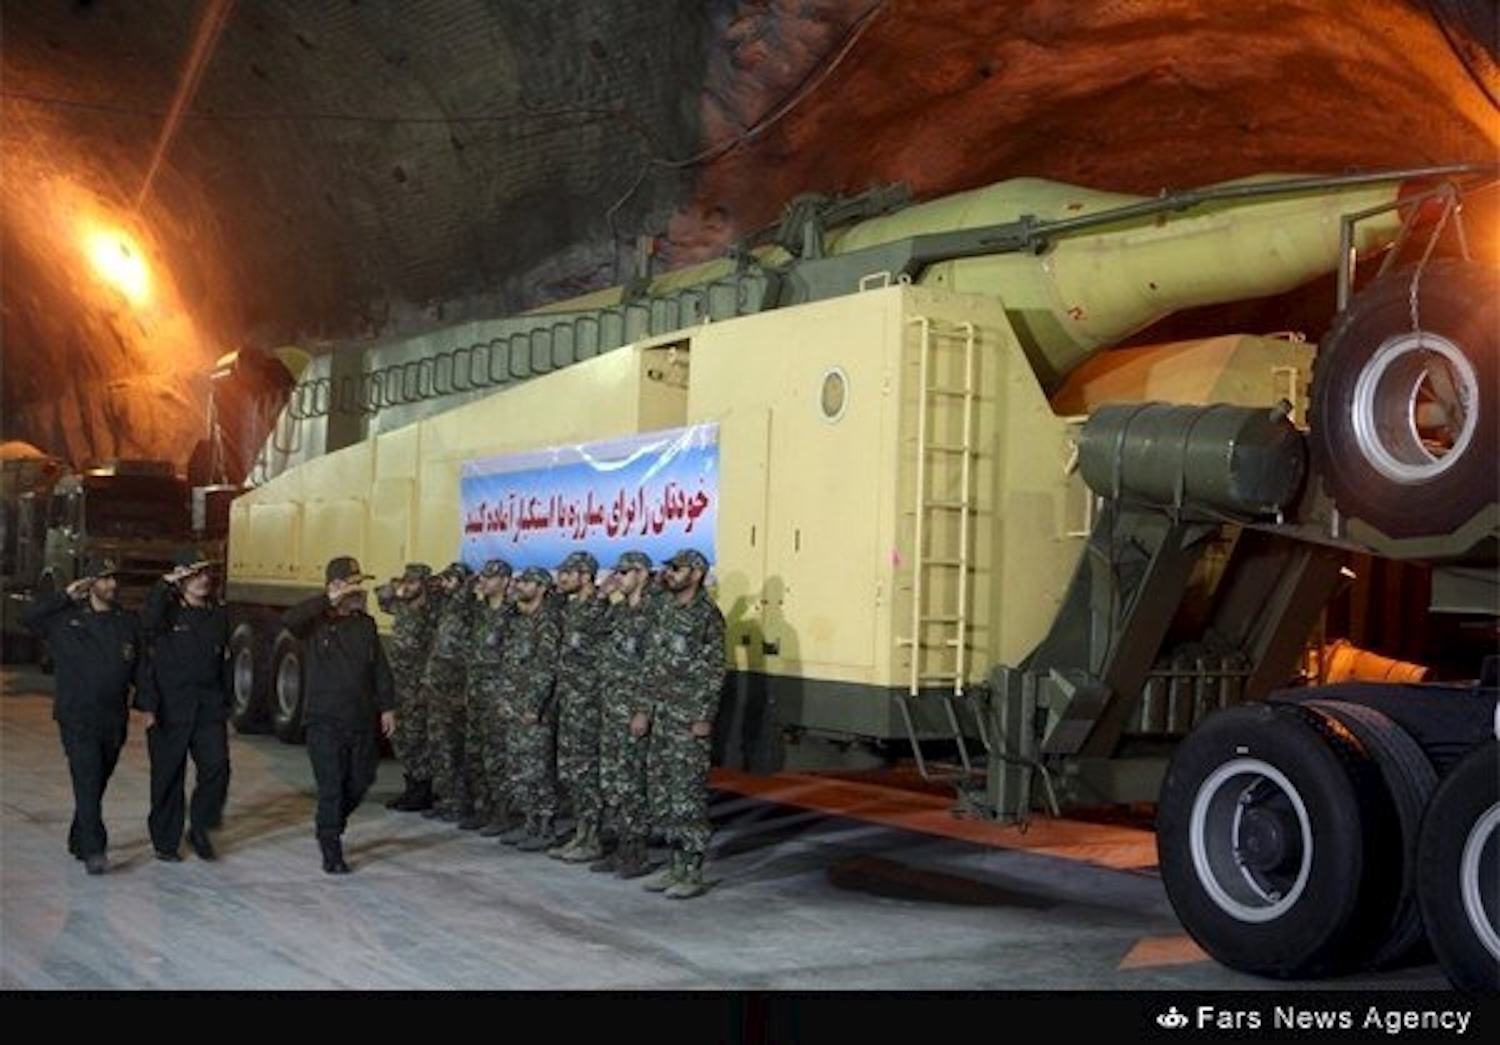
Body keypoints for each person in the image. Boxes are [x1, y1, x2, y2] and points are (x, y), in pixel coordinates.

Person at [22, 556, 141, 875]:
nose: (112, 585)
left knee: (97, 781)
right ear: (89, 584)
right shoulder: (65, 620)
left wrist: (150, 703)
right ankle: (94, 849)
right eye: (104, 579)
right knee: (87, 778)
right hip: (77, 716)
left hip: (113, 718)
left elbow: (140, 667)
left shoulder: (126, 622)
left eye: (114, 578)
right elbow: (27, 617)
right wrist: (64, 596)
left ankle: (79, 837)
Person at [280, 555, 396, 874]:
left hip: (359, 718)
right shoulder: (315, 623)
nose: (360, 590)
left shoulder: (365, 624)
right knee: (331, 785)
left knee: (361, 779)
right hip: (324, 720)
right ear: (335, 586)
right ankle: (331, 846)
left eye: (361, 584)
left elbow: (379, 669)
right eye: (353, 584)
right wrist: (326, 600)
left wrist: (387, 706)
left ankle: (330, 821)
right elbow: (289, 620)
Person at [638, 548, 726, 899]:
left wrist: (703, 715)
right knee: (663, 792)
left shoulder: (707, 616)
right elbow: (651, 666)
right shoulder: (664, 611)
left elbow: (713, 671)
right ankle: (674, 864)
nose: (670, 573)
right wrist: (643, 709)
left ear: (697, 573)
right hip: (661, 715)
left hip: (687, 719)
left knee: (687, 795)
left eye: (677, 568)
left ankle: (693, 870)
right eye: (669, 567)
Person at [135, 551, 232, 862]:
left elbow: (224, 663)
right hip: (169, 707)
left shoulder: (218, 616)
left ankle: (200, 827)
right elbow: (146, 623)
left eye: (206, 574)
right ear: (181, 579)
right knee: (168, 776)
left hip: (208, 708)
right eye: (195, 574)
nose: (203, 579)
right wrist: (165, 584)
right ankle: (165, 842)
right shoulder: (165, 613)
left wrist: (226, 703)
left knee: (217, 768)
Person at [590, 550, 658, 879]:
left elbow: (655, 668)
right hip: (610, 708)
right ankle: (617, 847)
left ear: (643, 574)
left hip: (633, 711)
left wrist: (643, 710)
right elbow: (590, 635)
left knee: (632, 783)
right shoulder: (617, 611)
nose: (619, 577)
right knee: (612, 781)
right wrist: (601, 597)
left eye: (625, 572)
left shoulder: (655, 613)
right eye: (617, 571)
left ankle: (637, 852)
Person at [548, 550, 611, 864]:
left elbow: (605, 662)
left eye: (568, 573)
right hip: (570, 702)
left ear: (585, 576)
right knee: (571, 770)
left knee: (586, 770)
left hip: (588, 704)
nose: (561, 578)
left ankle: (593, 837)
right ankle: (581, 832)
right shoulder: (572, 610)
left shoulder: (599, 611)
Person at [495, 565, 562, 851]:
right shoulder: (521, 620)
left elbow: (546, 669)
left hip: (534, 710)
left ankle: (545, 828)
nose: (519, 586)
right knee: (519, 768)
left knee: (537, 769)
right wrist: (505, 699)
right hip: (514, 705)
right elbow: (508, 663)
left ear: (542, 588)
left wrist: (534, 705)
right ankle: (529, 823)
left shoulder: (547, 623)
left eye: (526, 582)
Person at [375, 562, 439, 812]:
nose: (408, 586)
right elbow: (380, 596)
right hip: (399, 682)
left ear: (424, 585)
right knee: (400, 737)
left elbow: (436, 652)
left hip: (418, 685)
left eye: (413, 582)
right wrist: (394, 587)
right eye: (406, 581)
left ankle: (423, 790)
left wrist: (426, 684)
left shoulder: (431, 614)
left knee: (417, 738)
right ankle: (411, 786)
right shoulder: (401, 607)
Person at [422, 561, 476, 822]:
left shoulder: (466, 608)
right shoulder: (444, 607)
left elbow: (464, 596)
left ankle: (459, 801)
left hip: (454, 691)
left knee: (454, 749)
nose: (444, 584)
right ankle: (445, 798)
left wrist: (463, 584)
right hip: (437, 689)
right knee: (439, 747)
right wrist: (435, 585)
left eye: (450, 580)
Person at [464, 558, 515, 834]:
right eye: (482, 576)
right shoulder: (479, 611)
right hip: (476, 693)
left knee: (497, 757)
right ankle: (483, 808)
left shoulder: (512, 615)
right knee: (476, 754)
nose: (483, 581)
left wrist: (506, 697)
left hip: (498, 696)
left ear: (505, 582)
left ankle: (502, 813)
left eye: (490, 577)